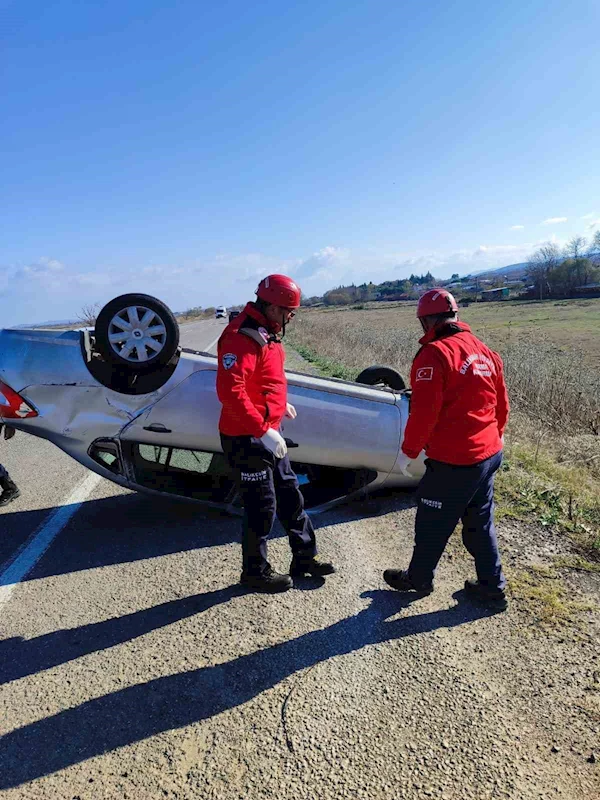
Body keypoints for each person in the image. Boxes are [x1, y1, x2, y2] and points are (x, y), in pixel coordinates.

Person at [383, 288, 510, 611]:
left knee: (431, 521)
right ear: (455, 317)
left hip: (456, 460)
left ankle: (419, 579)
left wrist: (407, 452)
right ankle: (491, 587)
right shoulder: (484, 351)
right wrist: (497, 435)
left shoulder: (435, 355)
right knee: (479, 522)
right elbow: (502, 405)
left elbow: (424, 412)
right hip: (488, 454)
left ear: (427, 321)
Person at [217, 274, 335, 593]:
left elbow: (265, 379)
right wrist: (262, 430)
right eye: (288, 311)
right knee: (261, 506)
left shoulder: (267, 333)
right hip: (247, 437)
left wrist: (282, 404)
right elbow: (231, 391)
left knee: (290, 496)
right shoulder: (241, 337)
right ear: (270, 306)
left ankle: (304, 558)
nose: (291, 318)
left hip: (269, 430)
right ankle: (255, 571)